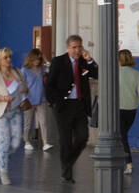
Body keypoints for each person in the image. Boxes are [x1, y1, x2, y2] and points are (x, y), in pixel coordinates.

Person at [44, 34, 98, 183]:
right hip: (63, 106)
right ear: (68, 48)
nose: (77, 50)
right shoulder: (58, 62)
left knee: (82, 136)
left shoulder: (83, 62)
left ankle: (67, 160)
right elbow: (49, 85)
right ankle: (66, 173)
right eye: (74, 47)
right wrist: (54, 102)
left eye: (79, 47)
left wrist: (90, 60)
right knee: (65, 140)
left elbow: (97, 74)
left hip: (80, 105)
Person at [0, 47, 27, 185]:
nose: (9, 60)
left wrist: (25, 90)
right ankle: (3, 171)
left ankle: (1, 157)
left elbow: (23, 88)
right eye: (5, 57)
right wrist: (2, 98)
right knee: (4, 141)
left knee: (15, 143)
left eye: (10, 57)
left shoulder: (17, 72)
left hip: (14, 110)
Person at [117, 49, 139, 175]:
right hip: (132, 110)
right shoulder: (137, 74)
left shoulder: (115, 73)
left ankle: (129, 164)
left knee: (122, 137)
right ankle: (122, 161)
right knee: (122, 136)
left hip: (118, 109)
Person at [20, 49, 52, 152]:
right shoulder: (24, 70)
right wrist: (24, 98)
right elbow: (20, 85)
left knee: (43, 122)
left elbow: (51, 69)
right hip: (29, 100)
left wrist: (46, 60)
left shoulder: (42, 69)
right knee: (28, 123)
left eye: (39, 59)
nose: (37, 61)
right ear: (31, 58)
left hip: (41, 99)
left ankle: (45, 143)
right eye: (35, 59)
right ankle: (26, 141)